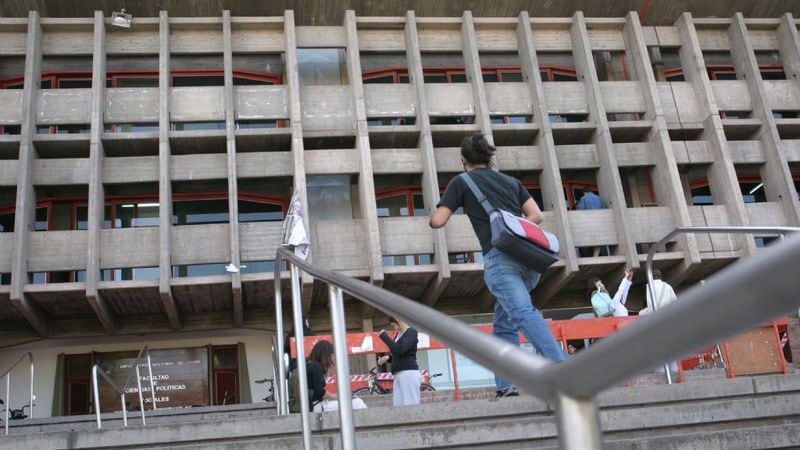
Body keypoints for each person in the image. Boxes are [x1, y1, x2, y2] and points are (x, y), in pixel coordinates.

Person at [430, 132, 567, 398]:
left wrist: (437, 213)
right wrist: (512, 228)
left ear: (462, 159)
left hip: (500, 259)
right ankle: (505, 386)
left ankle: (560, 365)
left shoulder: (462, 181)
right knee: (505, 325)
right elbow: (535, 215)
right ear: (488, 157)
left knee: (522, 312)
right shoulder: (511, 182)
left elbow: (439, 221)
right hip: (529, 261)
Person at [297, 340, 367, 413]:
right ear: (325, 355)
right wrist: (338, 397)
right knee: (358, 403)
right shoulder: (316, 367)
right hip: (316, 406)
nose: (332, 358)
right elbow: (320, 392)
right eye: (331, 355)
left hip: (312, 406)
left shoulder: (309, 365)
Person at [378, 316, 421, 406]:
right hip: (398, 373)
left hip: (408, 372)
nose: (392, 325)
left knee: (410, 405)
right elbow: (398, 353)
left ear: (399, 320)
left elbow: (400, 349)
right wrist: (388, 358)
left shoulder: (411, 332)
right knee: (398, 406)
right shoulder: (398, 335)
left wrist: (384, 337)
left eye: (393, 323)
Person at [576, 186, 609, 257]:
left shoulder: (584, 198)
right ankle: (596, 256)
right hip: (599, 223)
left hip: (589, 223)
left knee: (586, 240)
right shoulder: (600, 198)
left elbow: (580, 212)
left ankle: (590, 257)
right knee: (598, 240)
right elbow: (604, 210)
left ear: (585, 193)